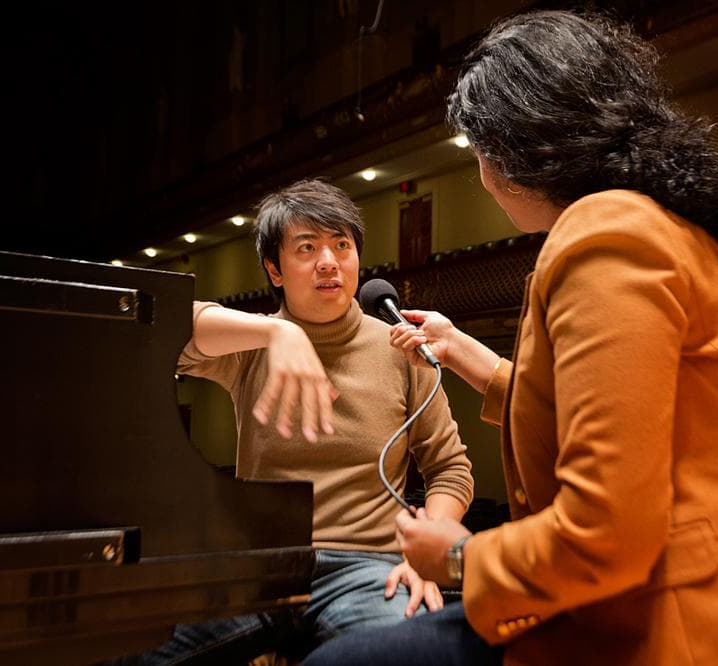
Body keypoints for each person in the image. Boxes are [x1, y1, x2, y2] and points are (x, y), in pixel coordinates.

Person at [304, 10, 718, 666]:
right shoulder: (658, 222)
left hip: (687, 625)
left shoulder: (605, 236)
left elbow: (609, 532)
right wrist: (479, 364)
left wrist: (455, 555)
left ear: (509, 154)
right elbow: (636, 414)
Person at [130, 179, 474, 664]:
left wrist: (430, 552)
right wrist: (275, 332)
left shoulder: (402, 349)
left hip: (368, 566)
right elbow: (160, 328)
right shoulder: (250, 346)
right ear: (274, 269)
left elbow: (450, 469)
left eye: (341, 245)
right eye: (307, 248)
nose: (329, 261)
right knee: (134, 651)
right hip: (259, 566)